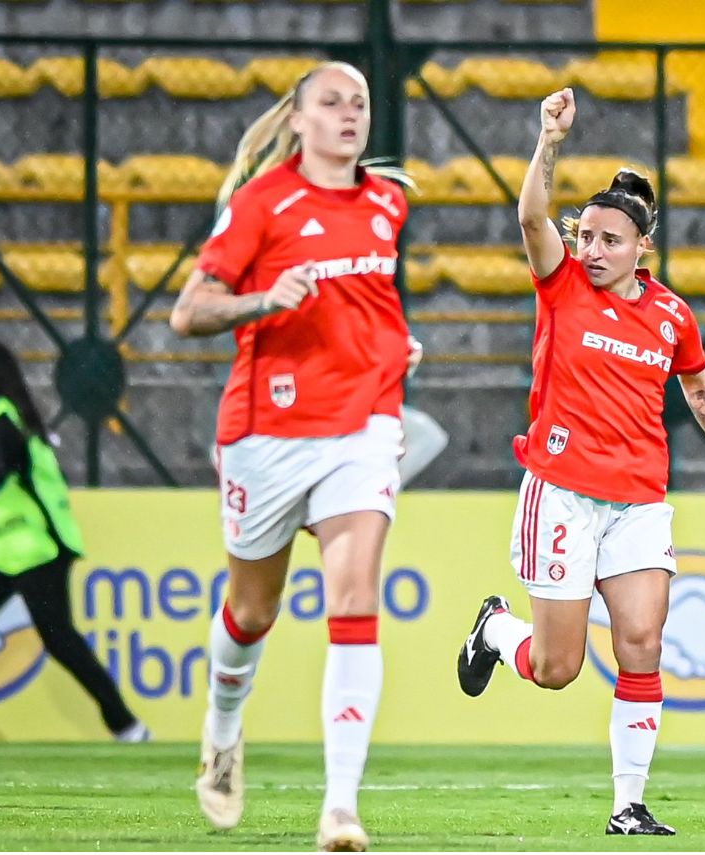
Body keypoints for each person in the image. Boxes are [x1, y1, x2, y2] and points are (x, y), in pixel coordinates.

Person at [456, 88, 705, 836]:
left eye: (608, 239)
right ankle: (496, 630)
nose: (591, 248)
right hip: (561, 493)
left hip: (636, 499)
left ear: (641, 249)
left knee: (642, 640)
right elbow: (532, 216)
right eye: (585, 234)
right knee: (557, 667)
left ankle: (627, 805)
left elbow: (697, 381)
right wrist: (548, 141)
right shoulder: (560, 284)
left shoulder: (671, 315)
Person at [169, 61, 418, 852]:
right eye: (331, 103)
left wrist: (391, 348)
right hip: (266, 433)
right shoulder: (260, 204)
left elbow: (372, 305)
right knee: (253, 611)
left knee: (354, 595)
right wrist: (260, 301)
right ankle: (222, 726)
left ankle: (341, 807)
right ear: (300, 120)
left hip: (361, 424)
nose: (349, 114)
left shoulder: (388, 202)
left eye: (360, 103)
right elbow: (188, 312)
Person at [0, 336, 150, 745]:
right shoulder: (4, 417)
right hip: (5, 546)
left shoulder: (2, 421)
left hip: (36, 546)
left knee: (58, 639)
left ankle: (127, 725)